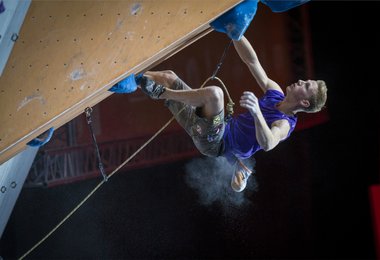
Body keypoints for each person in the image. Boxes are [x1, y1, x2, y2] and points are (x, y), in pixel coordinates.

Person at [138, 35, 327, 192]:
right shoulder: (275, 92)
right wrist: (235, 31)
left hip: (215, 141)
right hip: (210, 126)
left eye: (306, 85)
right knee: (169, 77)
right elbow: (251, 61)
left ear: (304, 102)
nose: (301, 80)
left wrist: (256, 112)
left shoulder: (285, 124)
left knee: (215, 94)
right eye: (306, 80)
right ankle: (132, 80)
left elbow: (268, 143)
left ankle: (160, 93)